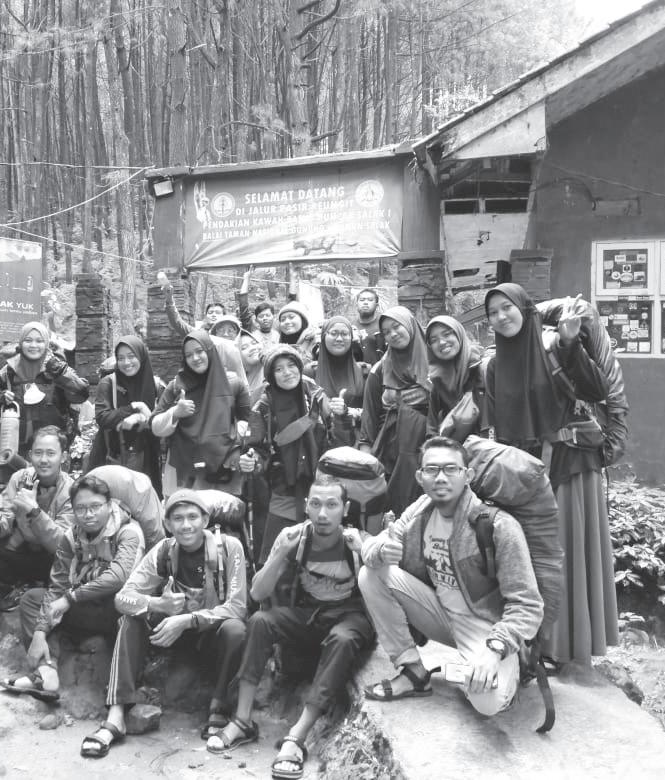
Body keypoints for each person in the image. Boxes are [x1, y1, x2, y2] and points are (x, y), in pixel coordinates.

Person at [358, 436, 543, 716]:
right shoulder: (420, 511)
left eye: (451, 469)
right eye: (432, 470)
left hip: (484, 626)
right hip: (439, 613)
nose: (440, 477)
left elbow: (528, 604)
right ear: (420, 477)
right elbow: (374, 545)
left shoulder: (497, 525)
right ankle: (414, 671)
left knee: (487, 702)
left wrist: (495, 650)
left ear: (467, 475)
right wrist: (381, 550)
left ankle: (507, 669)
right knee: (371, 574)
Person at [207, 479, 375, 780]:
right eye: (316, 504)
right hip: (309, 614)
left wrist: (365, 555)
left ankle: (297, 736)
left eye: (332, 505)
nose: (322, 513)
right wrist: (281, 553)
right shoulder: (294, 538)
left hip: (350, 617)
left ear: (345, 508)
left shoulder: (358, 542)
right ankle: (243, 719)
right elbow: (257, 593)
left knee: (342, 638)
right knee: (260, 621)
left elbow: (383, 594)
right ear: (306, 506)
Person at [484, 283, 615, 666]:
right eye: (493, 312)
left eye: (507, 307)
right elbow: (498, 428)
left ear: (525, 308)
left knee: (562, 553)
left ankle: (562, 648)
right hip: (524, 472)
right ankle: (528, 641)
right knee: (526, 557)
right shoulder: (495, 365)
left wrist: (571, 344)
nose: (501, 317)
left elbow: (597, 389)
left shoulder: (554, 345)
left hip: (569, 464)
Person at [80, 490, 248, 758]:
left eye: (193, 517)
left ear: (205, 520)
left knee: (235, 629)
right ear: (168, 524)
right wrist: (158, 604)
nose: (186, 525)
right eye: (178, 519)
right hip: (169, 637)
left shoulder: (229, 548)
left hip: (210, 635)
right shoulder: (164, 550)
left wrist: (187, 619)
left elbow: (238, 607)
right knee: (129, 619)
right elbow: (123, 598)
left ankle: (219, 707)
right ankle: (116, 715)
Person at [1, 475, 145, 701]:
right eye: (81, 508)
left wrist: (70, 598)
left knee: (127, 609)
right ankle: (45, 673)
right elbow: (58, 584)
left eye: (96, 506)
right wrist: (39, 631)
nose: (88, 514)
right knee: (32, 599)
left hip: (114, 610)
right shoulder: (71, 537)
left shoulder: (128, 532)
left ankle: (120, 686)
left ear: (109, 505)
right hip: (83, 608)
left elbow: (118, 577)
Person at [0, 426, 76, 610]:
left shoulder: (71, 491)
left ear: (63, 457)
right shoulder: (19, 478)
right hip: (20, 547)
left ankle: (39, 586)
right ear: (30, 455)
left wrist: (35, 511)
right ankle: (13, 584)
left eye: (50, 453)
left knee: (62, 560)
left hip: (49, 557)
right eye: (38, 453)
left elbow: (61, 544)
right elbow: (6, 514)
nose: (43, 460)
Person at [240, 346, 331, 563]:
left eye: (291, 365)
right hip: (281, 490)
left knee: (317, 558)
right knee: (278, 558)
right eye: (279, 369)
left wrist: (343, 417)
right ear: (271, 375)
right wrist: (251, 461)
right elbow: (256, 447)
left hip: (320, 487)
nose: (287, 372)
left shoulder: (315, 396)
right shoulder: (264, 404)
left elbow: (334, 437)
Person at [151, 331, 252, 496]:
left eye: (199, 351)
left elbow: (248, 420)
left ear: (210, 351)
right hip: (185, 474)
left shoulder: (233, 384)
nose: (195, 358)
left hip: (224, 472)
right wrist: (175, 413)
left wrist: (236, 445)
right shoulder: (177, 386)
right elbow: (155, 426)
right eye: (189, 355)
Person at [360, 306, 431, 516]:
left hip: (428, 450)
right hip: (391, 453)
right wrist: (366, 460)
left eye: (396, 326)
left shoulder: (437, 363)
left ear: (410, 324)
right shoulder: (380, 370)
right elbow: (370, 416)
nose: (392, 334)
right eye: (386, 332)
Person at [0, 321, 89, 466]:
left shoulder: (57, 367)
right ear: (21, 343)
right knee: (17, 481)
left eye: (39, 341)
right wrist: (1, 398)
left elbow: (81, 394)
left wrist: (59, 372)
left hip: (53, 448)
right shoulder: (8, 372)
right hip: (16, 449)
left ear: (47, 343)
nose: (33, 345)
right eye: (28, 340)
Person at [87, 336, 164, 496]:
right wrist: (134, 407)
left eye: (131, 356)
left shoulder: (156, 386)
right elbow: (102, 417)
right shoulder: (108, 383)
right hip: (112, 455)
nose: (126, 362)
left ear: (141, 356)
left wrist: (142, 417)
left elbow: (161, 424)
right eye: (120, 358)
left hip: (146, 457)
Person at [305, 316, 367, 448]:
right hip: (319, 444)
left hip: (356, 445)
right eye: (333, 333)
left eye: (344, 334)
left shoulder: (365, 372)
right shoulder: (310, 372)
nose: (339, 338)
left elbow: (374, 412)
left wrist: (350, 412)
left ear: (351, 338)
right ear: (323, 336)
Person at [424, 315, 485, 442]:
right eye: (434, 340)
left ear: (458, 334)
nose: (441, 342)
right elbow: (432, 427)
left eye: (447, 334)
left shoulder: (481, 367)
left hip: (486, 445)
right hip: (453, 450)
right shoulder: (437, 380)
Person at [237, 269, 280, 347]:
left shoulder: (279, 332)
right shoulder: (251, 333)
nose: (265, 318)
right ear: (256, 319)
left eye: (268, 315)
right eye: (261, 316)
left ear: (273, 317)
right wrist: (246, 279)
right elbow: (243, 307)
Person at [354, 288, 385, 365]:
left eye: (370, 300)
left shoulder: (383, 324)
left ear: (376, 305)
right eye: (362, 300)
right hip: (357, 370)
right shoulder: (351, 326)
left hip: (379, 370)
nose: (365, 302)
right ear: (356, 304)